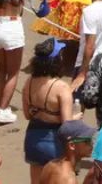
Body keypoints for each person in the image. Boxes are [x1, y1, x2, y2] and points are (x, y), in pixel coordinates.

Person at [23, 39, 75, 184]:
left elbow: (27, 115)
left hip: (33, 138)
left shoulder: (29, 82)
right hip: (53, 142)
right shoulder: (62, 88)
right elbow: (67, 126)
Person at [38, 120, 96, 184]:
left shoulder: (49, 166)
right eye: (87, 141)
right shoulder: (69, 179)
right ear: (72, 145)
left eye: (91, 140)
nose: (91, 144)